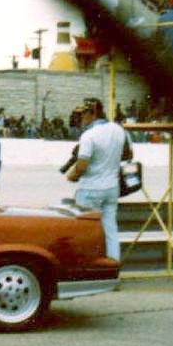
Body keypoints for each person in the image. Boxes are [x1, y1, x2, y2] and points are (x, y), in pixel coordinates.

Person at [66, 98, 130, 261]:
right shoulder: (118, 129)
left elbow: (81, 165)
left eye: (83, 114)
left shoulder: (89, 135)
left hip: (90, 188)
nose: (81, 118)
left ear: (92, 113)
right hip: (111, 187)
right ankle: (113, 264)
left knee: (85, 229)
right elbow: (128, 154)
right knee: (110, 229)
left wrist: (71, 176)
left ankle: (87, 266)